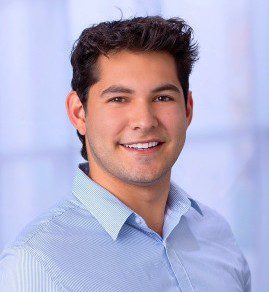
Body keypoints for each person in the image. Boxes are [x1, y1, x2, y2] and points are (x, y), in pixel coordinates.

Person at [0, 16, 251, 291]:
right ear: (78, 112)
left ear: (187, 109)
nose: (144, 121)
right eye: (118, 99)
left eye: (163, 98)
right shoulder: (36, 266)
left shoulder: (217, 235)